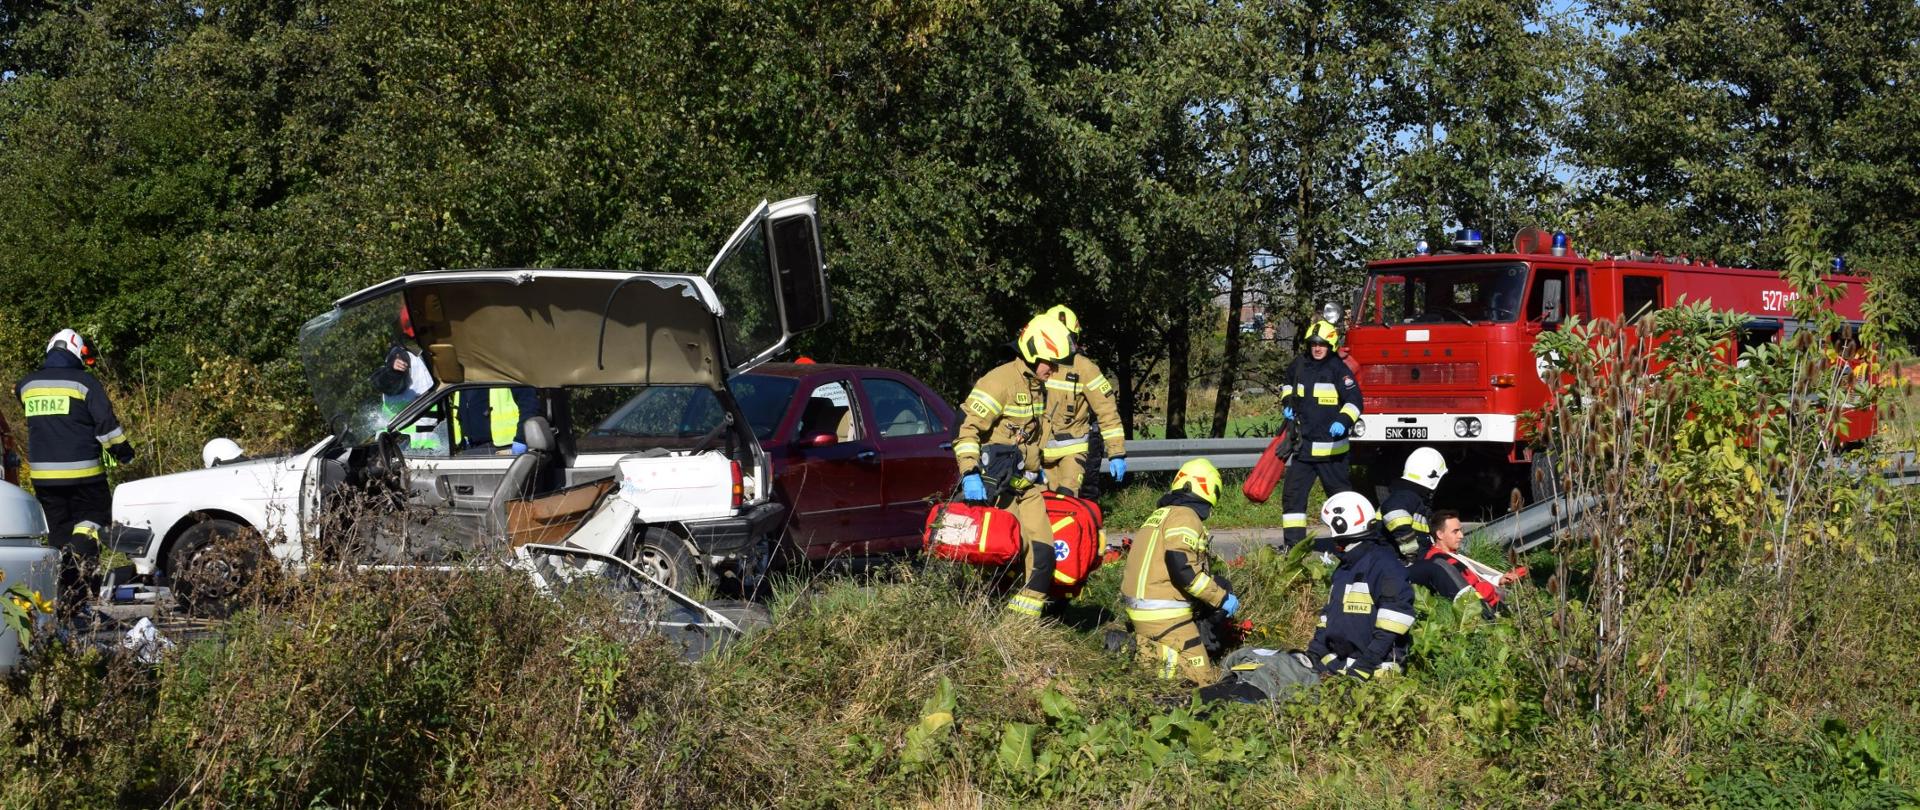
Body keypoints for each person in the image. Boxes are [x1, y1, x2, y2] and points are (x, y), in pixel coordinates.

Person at [956, 314, 1074, 617]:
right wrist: (970, 472)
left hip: (1025, 484)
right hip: (995, 487)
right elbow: (967, 430)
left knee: (1044, 555)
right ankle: (984, 614)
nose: (1055, 368)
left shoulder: (1038, 386)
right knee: (1008, 550)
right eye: (1051, 361)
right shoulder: (999, 382)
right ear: (1033, 354)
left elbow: (1033, 438)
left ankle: (1022, 626)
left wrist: (1042, 467)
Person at [16, 329, 134, 609]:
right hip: (84, 475)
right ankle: (80, 583)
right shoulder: (84, 382)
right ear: (75, 352)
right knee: (93, 519)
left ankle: (63, 599)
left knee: (57, 533)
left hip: (44, 478)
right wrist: (123, 452)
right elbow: (106, 426)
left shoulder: (26, 385)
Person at [1120, 459, 1239, 684]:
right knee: (1202, 680)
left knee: (1156, 662)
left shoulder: (1162, 514)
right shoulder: (1186, 516)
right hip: (1164, 612)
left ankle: (1148, 656)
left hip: (1141, 607)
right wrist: (1221, 598)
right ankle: (1165, 676)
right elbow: (1182, 568)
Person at [1307, 491, 1414, 679]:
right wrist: (1312, 654)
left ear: (1341, 525)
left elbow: (1392, 625)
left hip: (1375, 670)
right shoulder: (1345, 567)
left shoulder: (1384, 565)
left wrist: (1364, 667)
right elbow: (1329, 617)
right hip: (1340, 664)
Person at [1277, 319, 1363, 549]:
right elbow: (1287, 384)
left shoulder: (1338, 370)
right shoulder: (1299, 365)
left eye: (1322, 344)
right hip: (1304, 449)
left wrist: (1343, 421)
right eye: (1314, 343)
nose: (1317, 348)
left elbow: (1355, 401)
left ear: (1331, 345)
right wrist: (1287, 401)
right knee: (1292, 498)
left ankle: (1351, 545)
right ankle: (1293, 548)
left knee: (1342, 502)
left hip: (1332, 452)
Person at [1036, 305, 1127, 497]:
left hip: (1072, 456)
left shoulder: (1084, 369)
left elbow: (1107, 410)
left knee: (1067, 508)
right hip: (1036, 455)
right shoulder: (1035, 365)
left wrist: (1116, 452)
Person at [1408, 510, 1523, 618]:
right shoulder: (1439, 560)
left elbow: (1473, 577)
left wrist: (1499, 580)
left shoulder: (1449, 555)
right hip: (1485, 612)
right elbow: (1466, 588)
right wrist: (1490, 589)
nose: (1461, 536)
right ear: (1440, 534)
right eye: (1455, 531)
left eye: (1461, 530)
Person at [1380, 447, 1447, 558]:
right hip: (1396, 561)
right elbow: (1393, 511)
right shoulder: (1406, 496)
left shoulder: (1414, 499)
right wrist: (1411, 551)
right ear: (1433, 477)